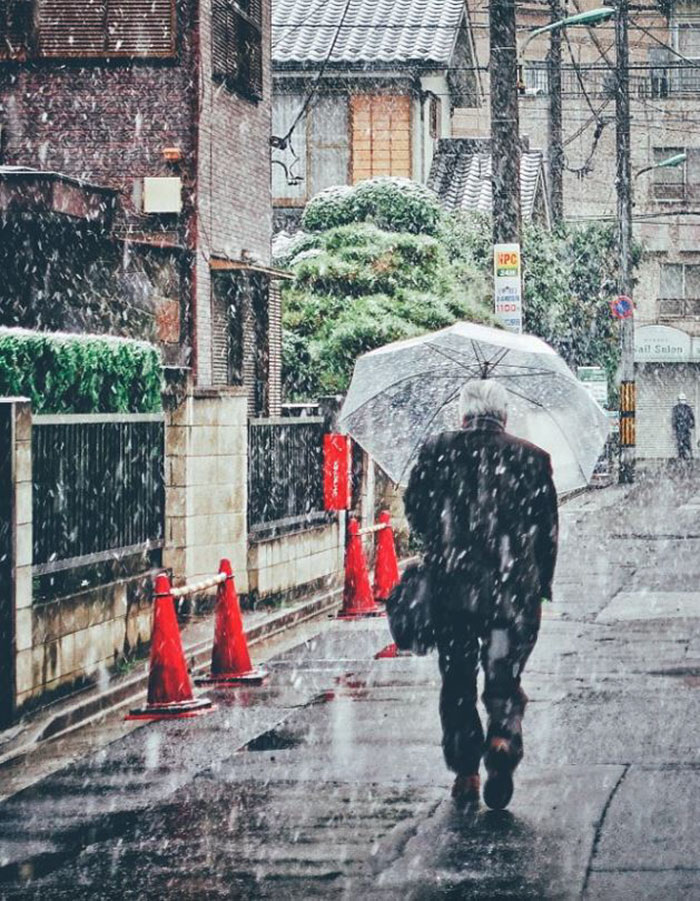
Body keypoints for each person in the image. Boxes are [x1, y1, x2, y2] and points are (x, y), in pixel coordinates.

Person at [403, 379, 558, 810]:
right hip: (513, 588)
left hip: (453, 587)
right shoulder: (532, 457)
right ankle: (503, 735)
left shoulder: (438, 450)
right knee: (504, 673)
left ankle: (467, 771)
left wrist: (441, 538)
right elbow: (546, 532)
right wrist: (540, 584)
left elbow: (415, 510)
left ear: (463, 414)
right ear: (504, 415)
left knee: (456, 679)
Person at [671, 392, 695, 460]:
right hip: (679, 429)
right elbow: (674, 418)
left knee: (687, 443)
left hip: (686, 429)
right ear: (678, 400)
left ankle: (689, 456)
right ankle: (681, 456)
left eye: (683, 399)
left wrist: (692, 425)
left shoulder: (688, 408)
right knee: (680, 443)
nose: (682, 401)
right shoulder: (675, 409)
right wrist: (675, 426)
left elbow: (692, 417)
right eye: (681, 400)